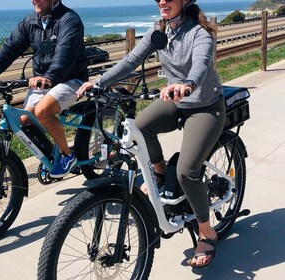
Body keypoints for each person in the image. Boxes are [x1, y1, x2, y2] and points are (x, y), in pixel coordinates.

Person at [77, 0, 225, 268]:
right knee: (140, 127)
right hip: (176, 101)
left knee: (186, 171)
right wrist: (98, 83)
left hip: (205, 106)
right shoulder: (160, 31)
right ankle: (158, 173)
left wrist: (187, 84)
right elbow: (132, 59)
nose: (162, 2)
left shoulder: (199, 33)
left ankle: (207, 232)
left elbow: (201, 65)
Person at [0, 0, 89, 178]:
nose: (35, 0)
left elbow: (65, 55)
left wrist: (49, 77)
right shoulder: (31, 21)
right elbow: (10, 48)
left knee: (42, 111)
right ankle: (51, 156)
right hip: (43, 81)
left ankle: (67, 155)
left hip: (70, 79)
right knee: (24, 120)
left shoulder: (69, 20)